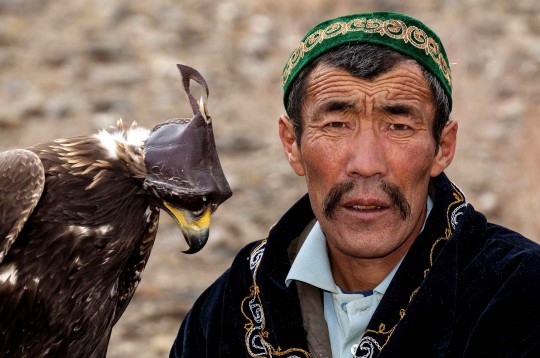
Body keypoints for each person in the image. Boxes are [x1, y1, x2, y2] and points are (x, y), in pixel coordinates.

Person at [170, 11, 540, 358]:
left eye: (399, 126)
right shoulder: (227, 309)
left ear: (443, 147)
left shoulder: (518, 292)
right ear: (292, 145)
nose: (366, 165)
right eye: (335, 125)